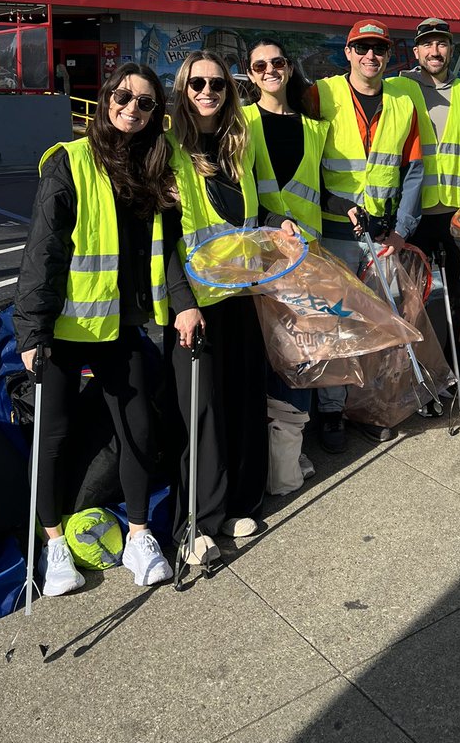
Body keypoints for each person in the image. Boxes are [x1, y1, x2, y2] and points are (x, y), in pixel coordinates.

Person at [14, 63, 178, 595]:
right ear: (106, 98)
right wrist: (31, 332)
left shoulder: (155, 165)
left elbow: (168, 246)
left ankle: (137, 533)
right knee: (54, 438)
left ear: (156, 114)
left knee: (138, 431)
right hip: (64, 329)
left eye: (146, 102)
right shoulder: (70, 161)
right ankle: (54, 540)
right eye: (123, 96)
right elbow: (44, 252)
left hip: (122, 326)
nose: (132, 108)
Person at [164, 50, 267, 566]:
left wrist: (277, 224)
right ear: (182, 89)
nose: (208, 91)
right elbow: (160, 240)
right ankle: (195, 522)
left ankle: (235, 505)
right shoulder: (168, 149)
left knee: (242, 399)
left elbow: (244, 215)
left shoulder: (236, 148)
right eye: (197, 83)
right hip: (195, 306)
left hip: (240, 296)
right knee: (200, 413)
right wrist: (182, 303)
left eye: (218, 84)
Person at [304, 18, 424, 450]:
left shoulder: (403, 104)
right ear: (348, 53)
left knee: (377, 327)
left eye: (380, 49)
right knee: (334, 326)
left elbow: (414, 172)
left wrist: (401, 231)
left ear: (388, 56)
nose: (371, 56)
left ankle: (370, 405)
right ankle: (332, 411)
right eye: (363, 48)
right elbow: (303, 161)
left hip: (381, 238)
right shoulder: (322, 94)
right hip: (333, 234)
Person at [386, 17, 460, 408]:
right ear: (416, 51)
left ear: (450, 50)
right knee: (410, 302)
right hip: (412, 216)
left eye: (442, 44)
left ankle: (455, 376)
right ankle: (415, 379)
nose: (435, 51)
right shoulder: (397, 88)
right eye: (427, 45)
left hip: (453, 214)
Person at [242, 35, 328, 489]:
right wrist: (272, 222)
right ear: (250, 74)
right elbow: (235, 193)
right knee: (268, 356)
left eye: (277, 62)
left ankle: (289, 453)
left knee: (301, 355)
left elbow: (319, 187)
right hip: (260, 262)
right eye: (260, 66)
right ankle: (278, 463)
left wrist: (350, 207)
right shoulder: (240, 123)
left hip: (306, 261)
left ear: (289, 68)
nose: (270, 70)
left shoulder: (314, 127)